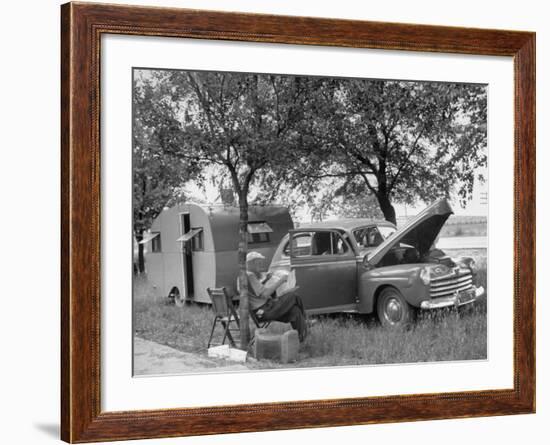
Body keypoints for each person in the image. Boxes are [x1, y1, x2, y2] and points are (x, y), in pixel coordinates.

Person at [245, 251, 308, 342]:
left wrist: (267, 280)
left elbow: (256, 291)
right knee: (293, 296)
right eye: (259, 263)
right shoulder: (250, 275)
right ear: (252, 263)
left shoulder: (245, 276)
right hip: (264, 311)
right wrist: (281, 281)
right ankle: (306, 322)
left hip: (263, 310)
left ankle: (301, 340)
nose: (260, 266)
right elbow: (265, 294)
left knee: (295, 312)